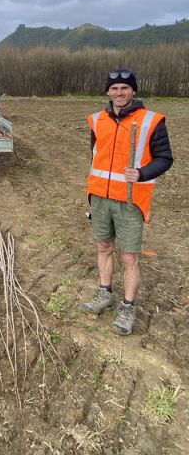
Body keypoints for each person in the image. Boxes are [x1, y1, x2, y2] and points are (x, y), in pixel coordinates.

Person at [81, 69, 173, 335]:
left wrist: (142, 173)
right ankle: (104, 293)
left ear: (133, 91)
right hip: (99, 197)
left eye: (124, 88)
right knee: (103, 247)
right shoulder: (97, 120)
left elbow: (165, 158)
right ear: (108, 92)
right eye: (114, 89)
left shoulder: (151, 121)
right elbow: (95, 155)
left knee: (130, 256)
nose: (119, 93)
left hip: (131, 201)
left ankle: (128, 307)